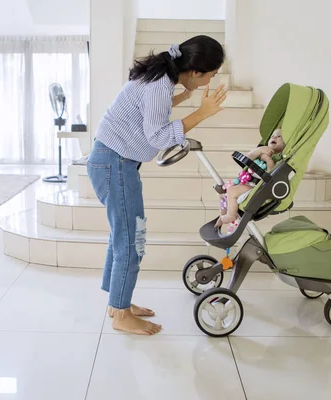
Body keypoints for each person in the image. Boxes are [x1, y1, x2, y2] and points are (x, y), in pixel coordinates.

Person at [87, 35, 227, 335]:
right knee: (132, 242)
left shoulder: (161, 79)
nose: (209, 82)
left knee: (122, 236)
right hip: (115, 165)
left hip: (113, 162)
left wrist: (183, 100)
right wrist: (202, 113)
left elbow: (145, 112)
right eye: (211, 76)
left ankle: (117, 303)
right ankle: (121, 315)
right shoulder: (160, 85)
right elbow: (159, 138)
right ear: (197, 72)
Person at [215, 129, 286, 231]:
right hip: (247, 181)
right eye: (272, 135)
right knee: (222, 193)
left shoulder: (277, 159)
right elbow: (248, 158)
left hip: (256, 187)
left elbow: (271, 175)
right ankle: (222, 215)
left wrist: (269, 160)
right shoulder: (261, 152)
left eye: (279, 137)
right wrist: (259, 150)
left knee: (232, 191)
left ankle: (231, 215)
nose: (274, 137)